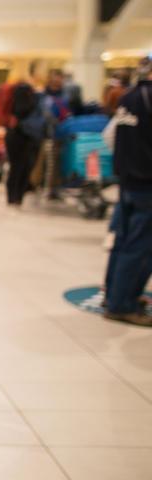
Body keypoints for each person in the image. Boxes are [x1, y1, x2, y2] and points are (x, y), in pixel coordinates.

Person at [102, 57, 152, 326]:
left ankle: (116, 294)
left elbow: (109, 136)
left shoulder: (129, 95)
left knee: (122, 242)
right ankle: (122, 304)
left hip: (128, 181)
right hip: (146, 185)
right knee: (141, 247)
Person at [0, 64, 46, 208]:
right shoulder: (24, 90)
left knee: (23, 166)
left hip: (24, 134)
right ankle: (13, 198)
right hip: (19, 133)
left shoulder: (30, 90)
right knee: (18, 166)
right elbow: (20, 110)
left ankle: (17, 197)